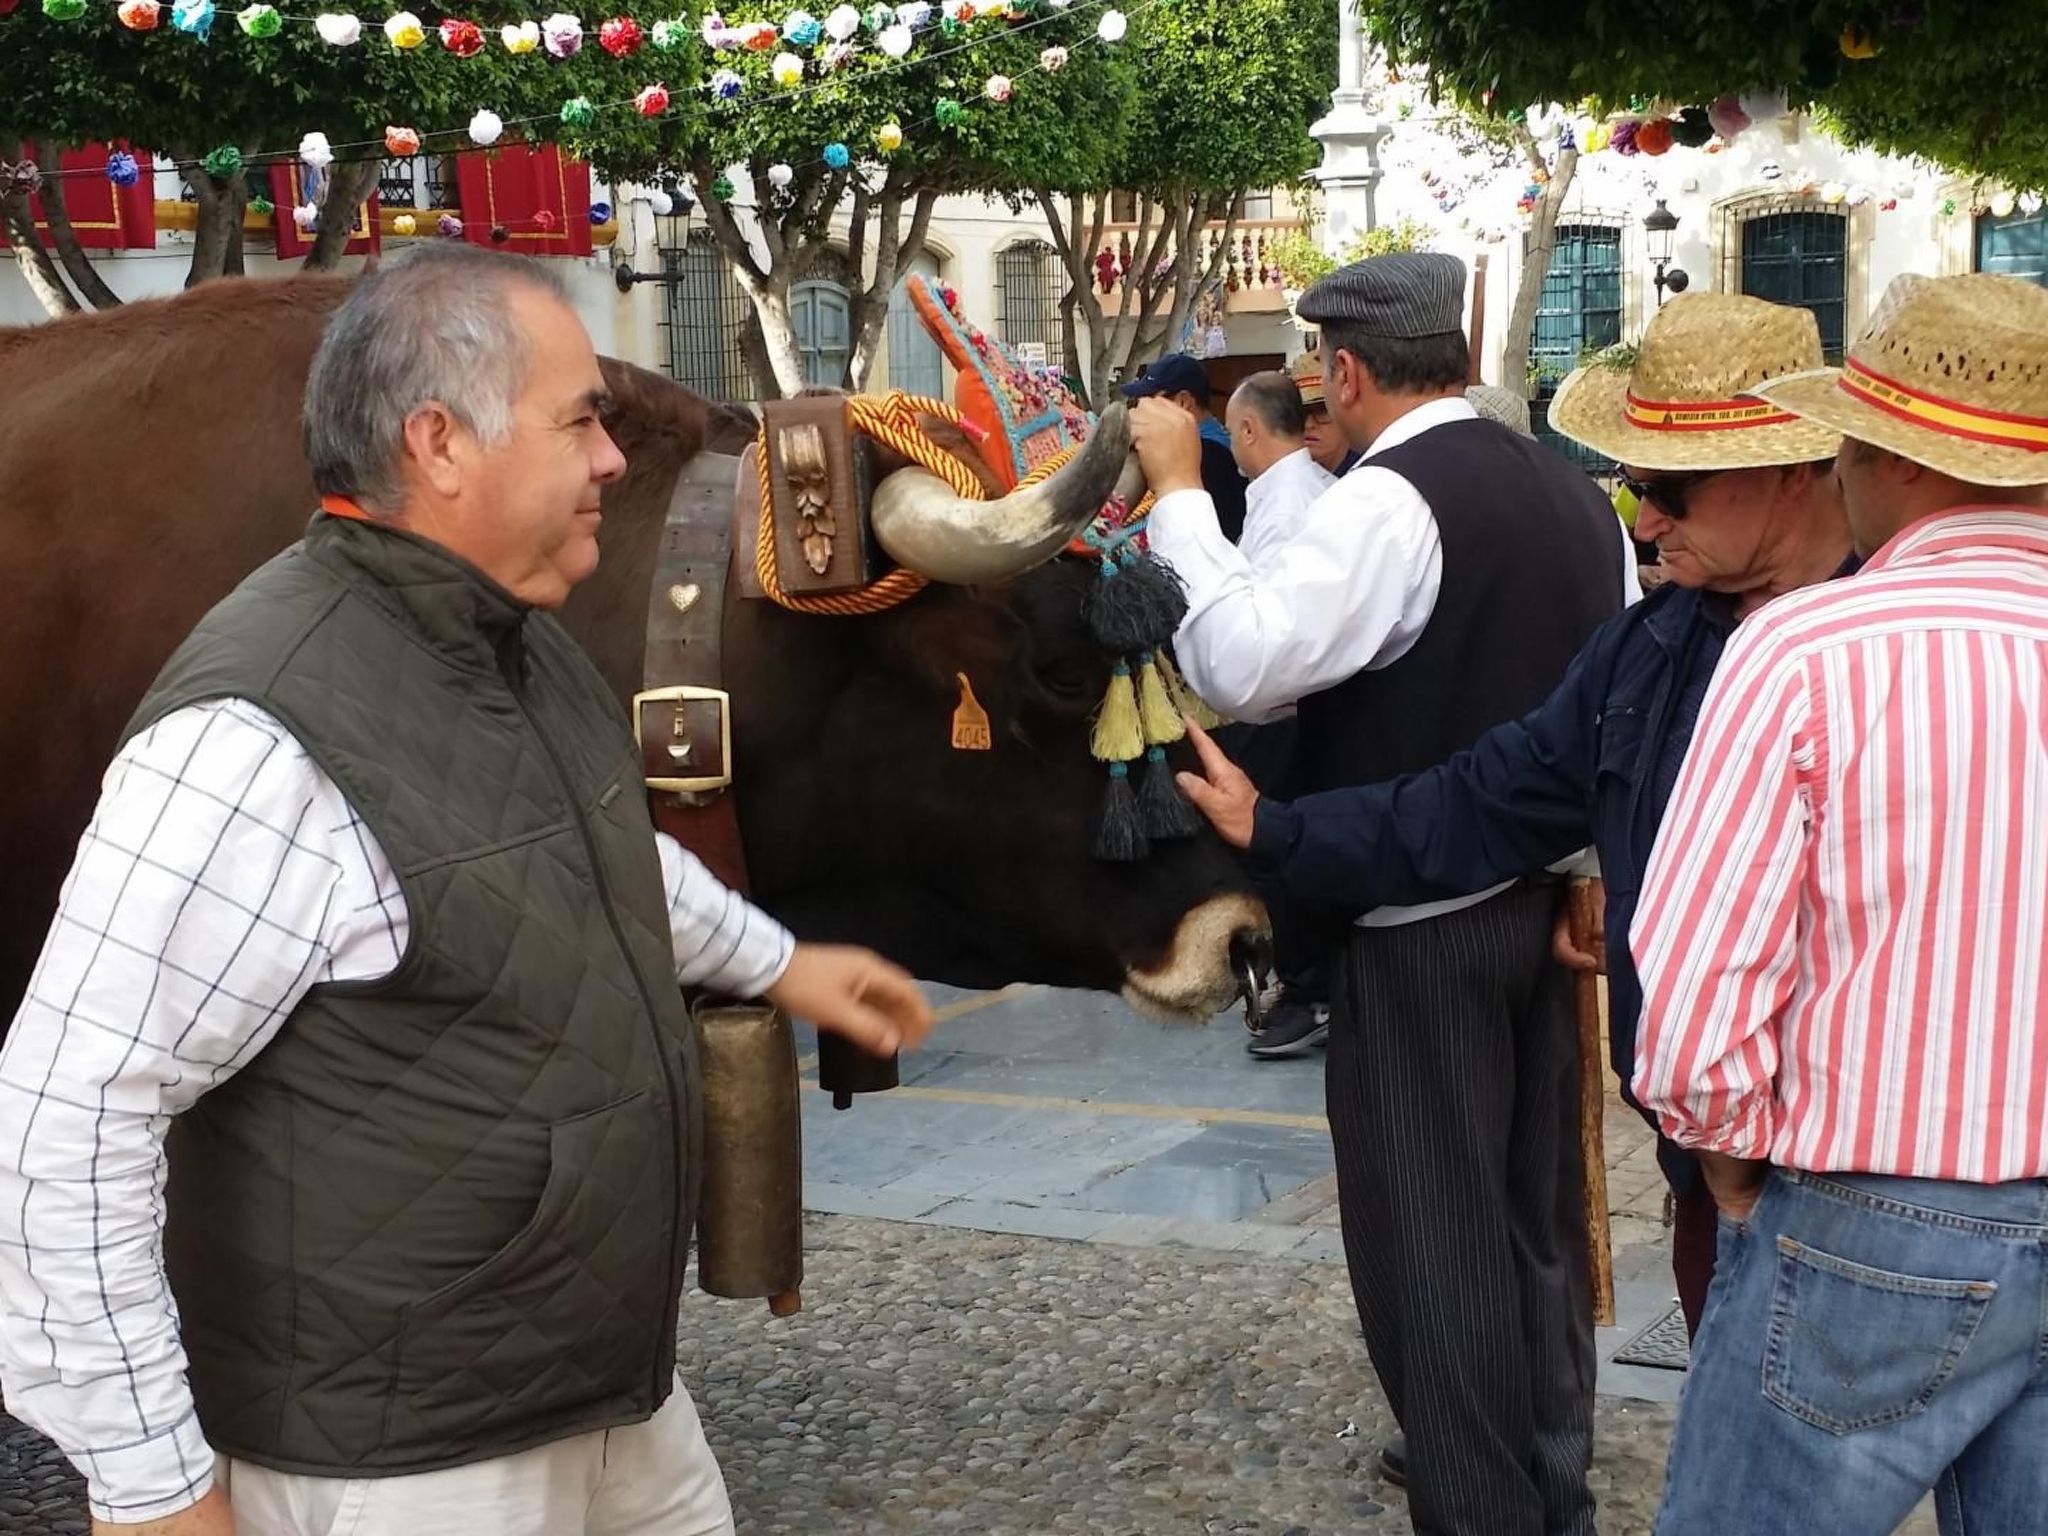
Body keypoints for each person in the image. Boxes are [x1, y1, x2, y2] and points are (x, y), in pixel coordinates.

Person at [0, 244, 935, 1536]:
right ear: (440, 446)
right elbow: (65, 1114)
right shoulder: (250, 737)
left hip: (608, 1405)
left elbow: (588, 854)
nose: (613, 459)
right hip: (409, 1462)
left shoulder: (520, 648)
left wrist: (777, 962)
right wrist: (152, 1484)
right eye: (579, 423)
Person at [1171, 293, 1852, 1336]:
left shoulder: (1893, 642)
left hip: (1868, 1162)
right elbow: (1488, 794)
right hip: (1719, 1174)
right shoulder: (1652, 645)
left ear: (1792, 472)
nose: (1645, 519)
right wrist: (1281, 831)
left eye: (1672, 486)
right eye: (1632, 485)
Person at [1132, 251, 1630, 1536]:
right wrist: (1580, 878)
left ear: (1344, 371)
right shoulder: (1575, 499)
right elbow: (1603, 726)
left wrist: (1181, 496)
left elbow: (1241, 663)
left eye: (1317, 378)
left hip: (1417, 921)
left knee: (1430, 1242)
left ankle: (1478, 1510)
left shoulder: (1390, 498)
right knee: (1533, 1228)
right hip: (1540, 911)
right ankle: (1546, 1488)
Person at [1633, 273, 2048, 1535]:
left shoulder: (1810, 648)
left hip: (1883, 1200)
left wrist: (1731, 1162)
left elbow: (1699, 988)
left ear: (1878, 457)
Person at [1212, 370, 1339, 1056]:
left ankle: (1307, 986)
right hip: (1289, 709)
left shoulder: (1290, 504)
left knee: (1278, 855)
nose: (1232, 443)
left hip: (1283, 710)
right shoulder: (1298, 490)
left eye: (1233, 430)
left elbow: (1273, 620)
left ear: (1252, 430)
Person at [1120, 352, 1249, 541]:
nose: (1140, 409)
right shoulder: (1219, 444)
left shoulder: (1206, 457)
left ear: (1183, 402)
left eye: (1150, 399)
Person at [1223, 370, 1337, 567]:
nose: (1230, 444)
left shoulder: (1283, 513)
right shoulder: (1321, 485)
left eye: (1230, 432)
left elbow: (1268, 596)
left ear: (1248, 430)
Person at [1289, 348, 1361, 476]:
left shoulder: (1370, 476)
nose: (1308, 424)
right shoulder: (1286, 479)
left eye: (1322, 410)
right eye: (1300, 412)